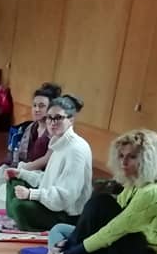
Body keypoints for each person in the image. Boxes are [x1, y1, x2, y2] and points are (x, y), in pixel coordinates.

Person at [41, 129, 157, 254]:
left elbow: (114, 230)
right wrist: (70, 243)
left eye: (132, 157)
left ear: (148, 159)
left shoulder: (154, 191)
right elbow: (106, 221)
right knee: (60, 229)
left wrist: (71, 252)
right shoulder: (136, 183)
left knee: (101, 203)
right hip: (126, 242)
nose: (124, 162)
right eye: (121, 156)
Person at [5, 95, 92, 231]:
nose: (52, 122)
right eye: (49, 118)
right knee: (14, 181)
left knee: (18, 206)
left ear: (71, 120)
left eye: (58, 118)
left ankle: (19, 216)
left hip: (66, 215)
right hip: (52, 203)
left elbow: (64, 198)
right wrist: (21, 174)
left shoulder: (76, 150)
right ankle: (19, 217)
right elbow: (47, 180)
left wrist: (31, 194)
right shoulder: (59, 142)